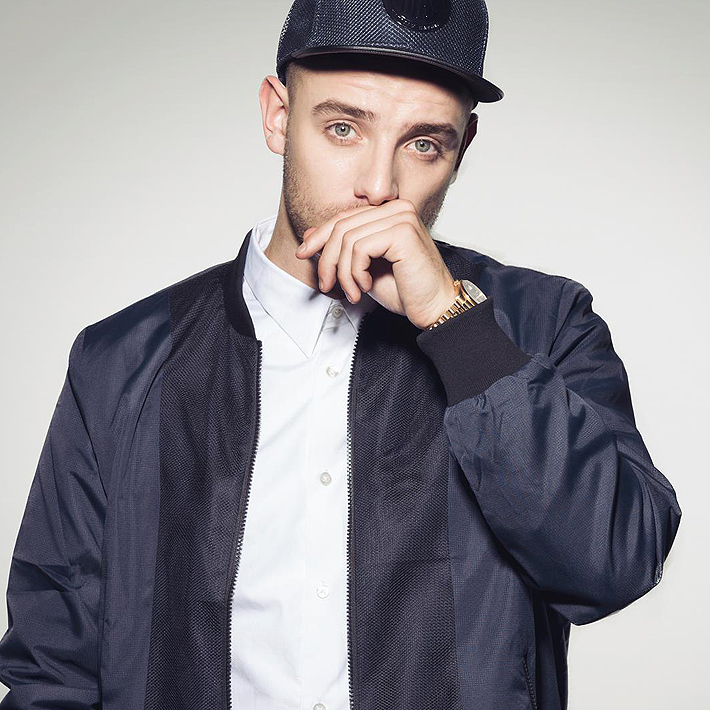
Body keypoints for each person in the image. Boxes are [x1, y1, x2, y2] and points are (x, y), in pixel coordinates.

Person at [0, 1, 682, 709]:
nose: (379, 187)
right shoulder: (122, 362)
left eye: (424, 144)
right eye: (343, 128)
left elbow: (616, 562)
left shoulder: (541, 326)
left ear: (462, 149)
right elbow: (53, 665)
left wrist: (455, 327)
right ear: (277, 116)